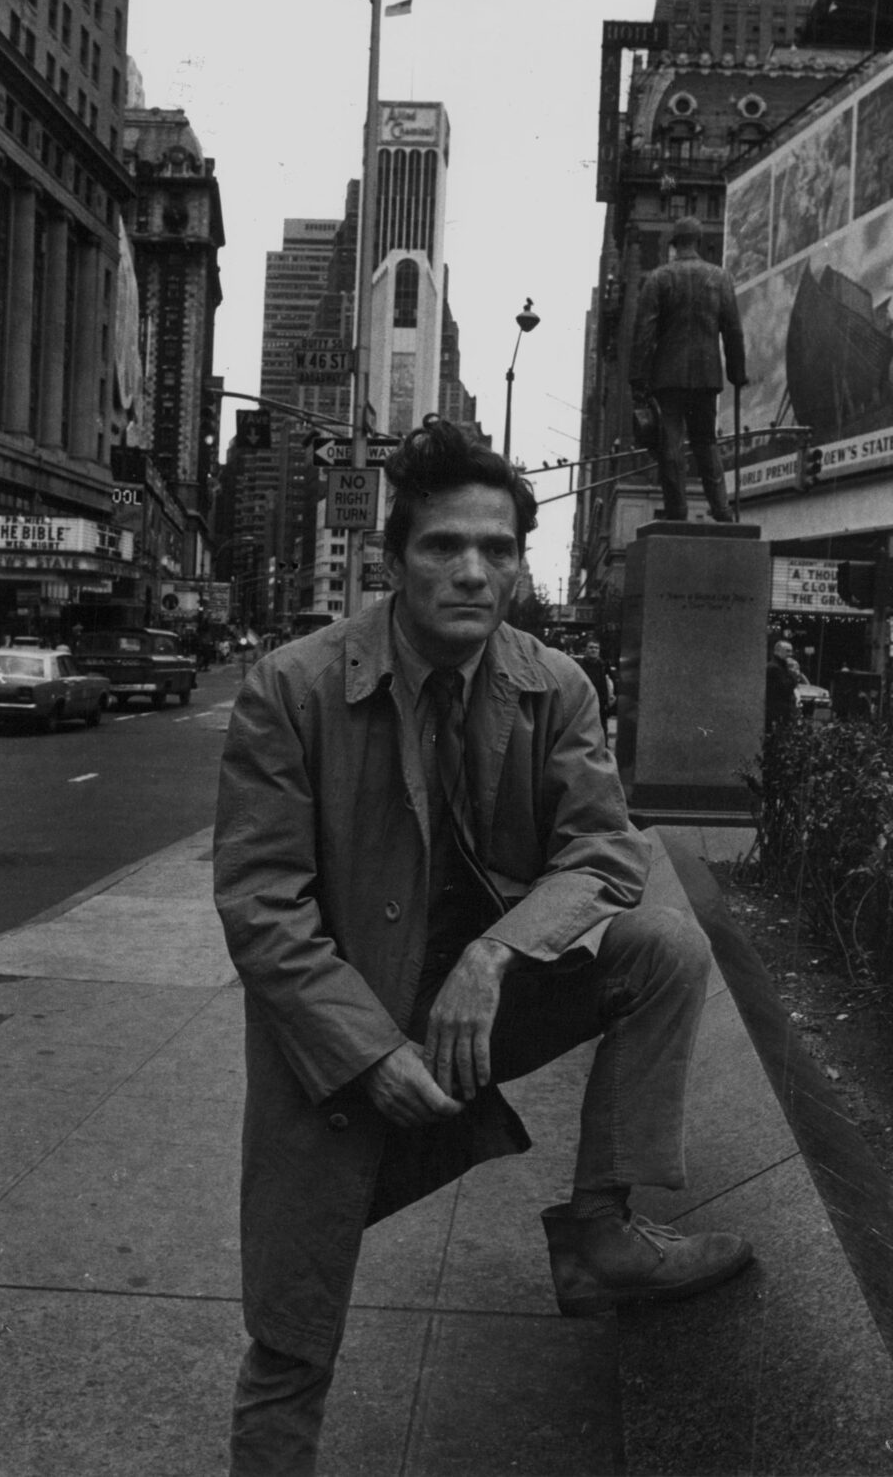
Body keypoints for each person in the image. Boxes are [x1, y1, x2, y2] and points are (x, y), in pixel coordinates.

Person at [214, 419, 753, 1476]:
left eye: (498, 550)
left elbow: (604, 853)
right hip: (340, 1034)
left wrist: (494, 955)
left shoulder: (555, 685)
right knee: (289, 1332)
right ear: (393, 559)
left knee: (662, 949)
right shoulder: (292, 686)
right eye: (443, 547)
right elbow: (262, 909)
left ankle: (602, 1230)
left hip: (478, 1010)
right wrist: (368, 1050)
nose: (473, 571)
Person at [629, 216, 747, 523]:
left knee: (671, 446)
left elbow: (643, 333)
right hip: (707, 376)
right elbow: (733, 330)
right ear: (699, 242)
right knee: (706, 443)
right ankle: (722, 509)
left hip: (668, 378)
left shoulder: (659, 278)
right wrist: (737, 372)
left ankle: (677, 512)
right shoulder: (720, 278)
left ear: (674, 244)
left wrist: (638, 380)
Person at [576, 637, 615, 735]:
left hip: (601, 701)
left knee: (602, 726)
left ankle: (603, 747)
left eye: (596, 648)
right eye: (591, 647)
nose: (594, 650)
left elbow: (611, 681)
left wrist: (610, 698)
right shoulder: (579, 666)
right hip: (585, 701)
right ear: (586, 650)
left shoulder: (603, 665)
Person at [765, 639, 799, 730]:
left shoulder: (781, 667)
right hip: (777, 711)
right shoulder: (774, 668)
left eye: (791, 651)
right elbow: (786, 688)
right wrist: (793, 674)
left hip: (780, 710)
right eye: (787, 651)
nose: (790, 654)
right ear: (778, 651)